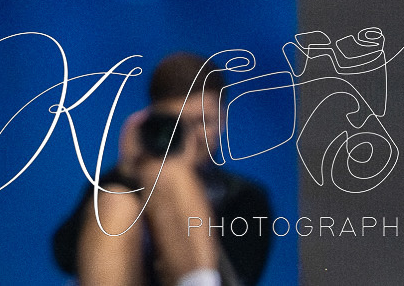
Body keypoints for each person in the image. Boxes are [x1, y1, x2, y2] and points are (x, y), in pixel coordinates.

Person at [52, 52, 274, 286]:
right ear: (153, 120)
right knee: (117, 201)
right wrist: (125, 172)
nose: (190, 136)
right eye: (177, 124)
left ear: (223, 119)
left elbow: (240, 276)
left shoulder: (244, 198)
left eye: (201, 121)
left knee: (170, 176)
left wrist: (179, 180)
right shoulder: (117, 184)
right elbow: (65, 257)